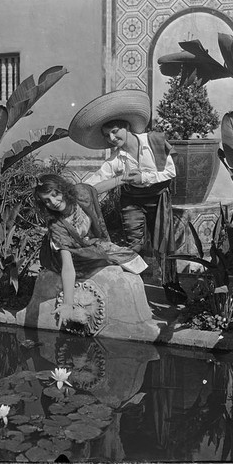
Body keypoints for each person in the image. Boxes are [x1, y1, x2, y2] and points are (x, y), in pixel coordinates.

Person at [68, 89, 186, 304]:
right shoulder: (117, 158)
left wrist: (143, 177)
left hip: (158, 198)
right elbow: (97, 179)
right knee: (134, 244)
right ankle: (134, 290)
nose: (112, 139)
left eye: (115, 132)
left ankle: (172, 288)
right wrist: (75, 192)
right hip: (132, 202)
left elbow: (171, 172)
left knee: (164, 243)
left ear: (127, 127)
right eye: (107, 135)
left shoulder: (154, 142)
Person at [33, 174, 149, 327]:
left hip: (90, 242)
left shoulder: (80, 194)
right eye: (46, 200)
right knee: (105, 255)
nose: (53, 202)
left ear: (62, 189)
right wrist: (68, 303)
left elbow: (96, 189)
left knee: (131, 258)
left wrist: (124, 177)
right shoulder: (57, 225)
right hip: (67, 255)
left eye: (55, 195)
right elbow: (67, 266)